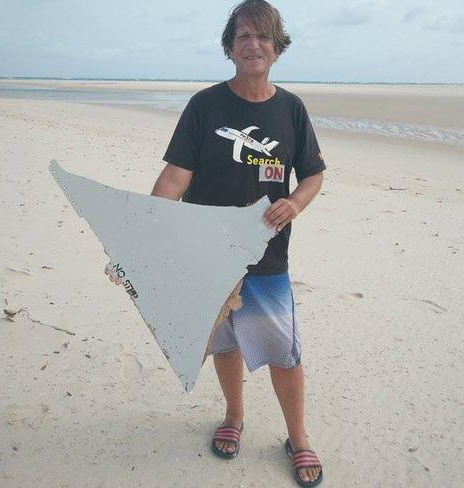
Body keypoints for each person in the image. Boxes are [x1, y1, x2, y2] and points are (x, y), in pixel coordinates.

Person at [109, 1, 325, 485]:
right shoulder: (205, 106)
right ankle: (233, 415)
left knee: (283, 351)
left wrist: (294, 203)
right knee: (225, 341)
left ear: (277, 47)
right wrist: (143, 232)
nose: (253, 44)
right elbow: (174, 177)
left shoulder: (291, 109)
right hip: (206, 256)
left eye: (263, 36)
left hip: (266, 258)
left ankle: (299, 436)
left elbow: (313, 174)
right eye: (243, 36)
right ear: (230, 48)